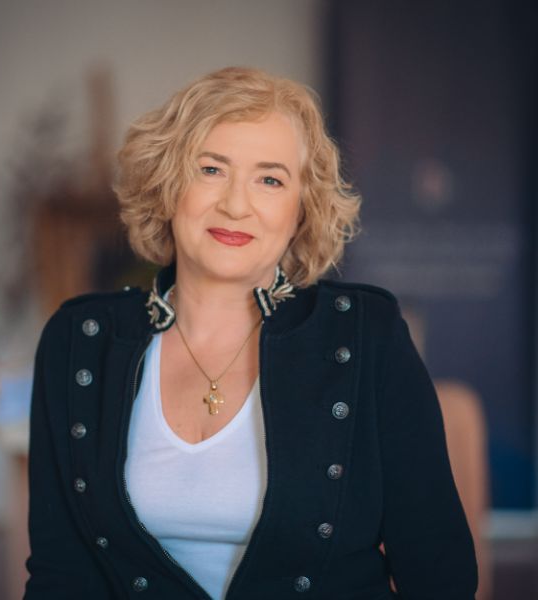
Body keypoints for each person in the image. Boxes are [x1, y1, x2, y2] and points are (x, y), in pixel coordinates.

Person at [24, 67, 478, 600]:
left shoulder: (367, 335)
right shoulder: (79, 340)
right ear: (167, 185)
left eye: (270, 179)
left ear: (302, 208)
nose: (236, 205)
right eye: (211, 169)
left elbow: (437, 573)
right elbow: (60, 576)